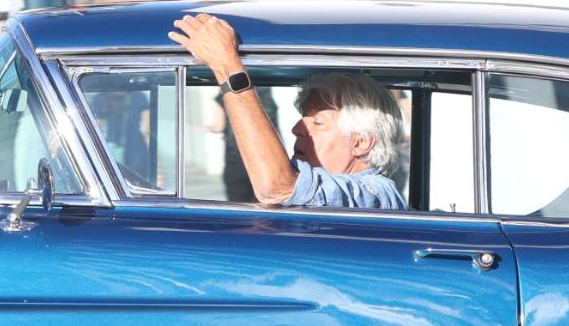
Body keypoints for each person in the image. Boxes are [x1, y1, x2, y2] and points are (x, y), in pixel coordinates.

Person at [169, 12, 405, 209]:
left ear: (361, 142)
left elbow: (276, 187)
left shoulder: (376, 193)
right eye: (304, 118)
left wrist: (227, 66)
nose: (297, 128)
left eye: (318, 122)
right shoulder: (322, 186)